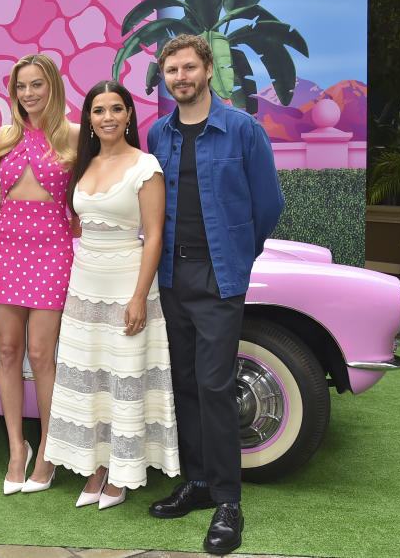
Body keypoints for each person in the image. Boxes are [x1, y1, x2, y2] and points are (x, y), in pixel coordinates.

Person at [146, 34, 284, 555]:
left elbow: (267, 204)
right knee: (184, 383)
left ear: (207, 70)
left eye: (188, 68)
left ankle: (229, 501)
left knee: (215, 385)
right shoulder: (159, 134)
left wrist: (236, 259)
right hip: (171, 278)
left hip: (220, 280)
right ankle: (199, 483)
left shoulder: (243, 130)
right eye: (171, 71)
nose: (180, 77)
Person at [43, 80, 179, 509]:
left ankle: (122, 474)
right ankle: (95, 467)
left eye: (115, 109)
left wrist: (139, 296)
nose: (107, 117)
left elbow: (154, 236)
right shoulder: (82, 165)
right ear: (88, 119)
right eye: (98, 110)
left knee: (125, 380)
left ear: (129, 116)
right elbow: (80, 225)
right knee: (91, 379)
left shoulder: (146, 166)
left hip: (128, 283)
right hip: (84, 285)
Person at [0, 54, 78, 495]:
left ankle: (48, 449)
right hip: (6, 247)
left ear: (53, 87)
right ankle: (16, 447)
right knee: (8, 351)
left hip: (52, 250)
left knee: (41, 354)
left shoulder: (76, 136)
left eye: (37, 85)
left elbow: (87, 200)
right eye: (21, 86)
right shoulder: (3, 136)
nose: (28, 94)